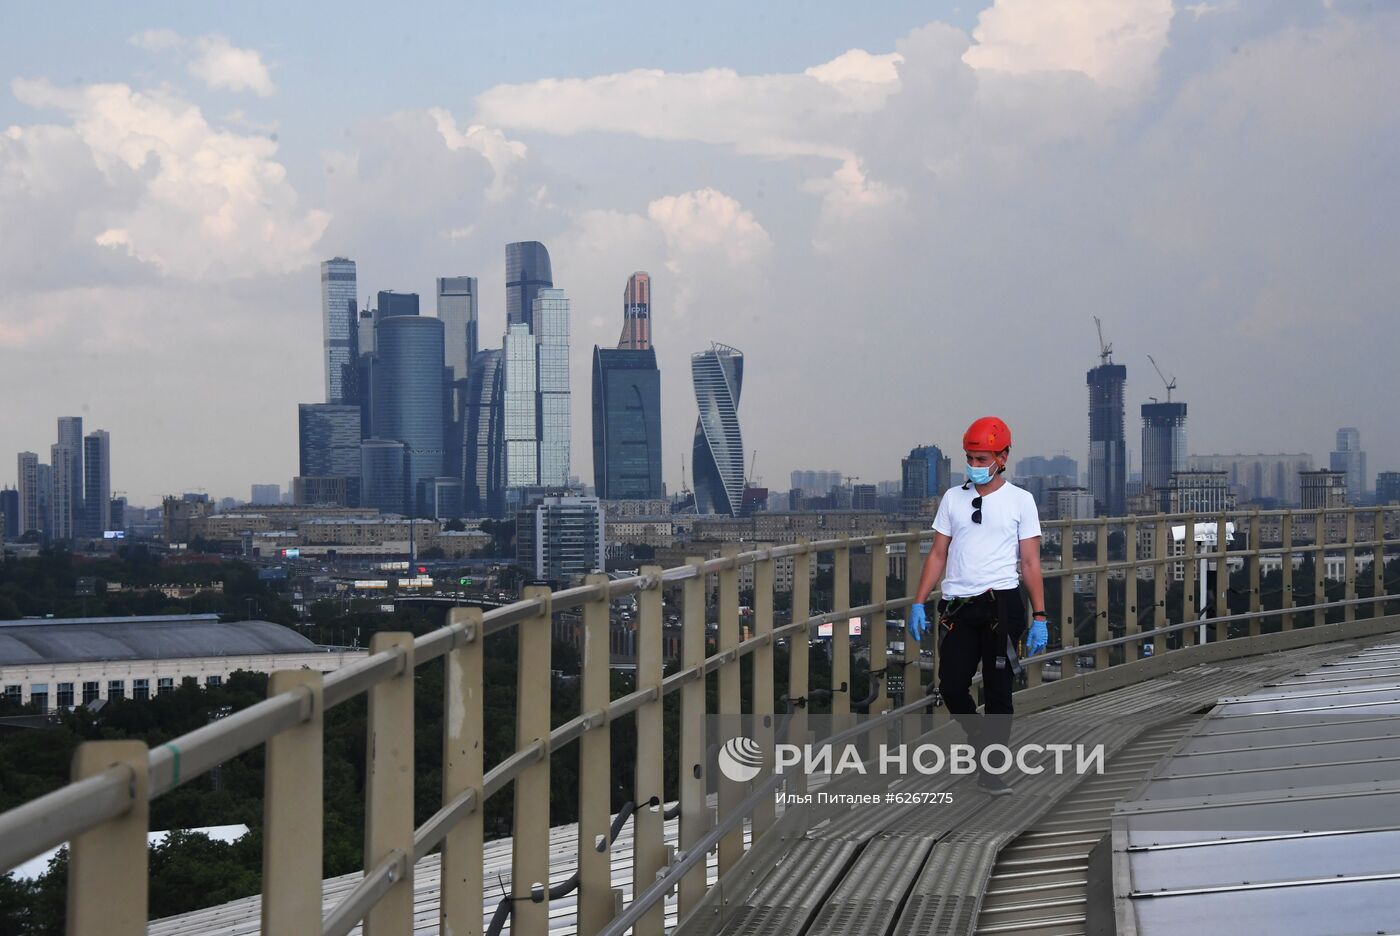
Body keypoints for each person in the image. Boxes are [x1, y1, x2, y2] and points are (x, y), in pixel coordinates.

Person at [907, 417, 1048, 796]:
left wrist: (1040, 616)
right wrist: (919, 601)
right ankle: (980, 738)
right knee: (951, 685)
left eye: (982, 457)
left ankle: (991, 771)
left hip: (1001, 604)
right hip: (958, 607)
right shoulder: (953, 498)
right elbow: (938, 553)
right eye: (970, 457)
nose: (975, 463)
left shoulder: (1021, 501)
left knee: (999, 690)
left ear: (1002, 457)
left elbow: (1031, 563)